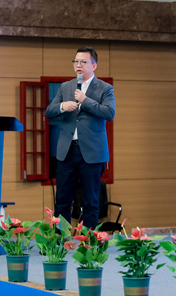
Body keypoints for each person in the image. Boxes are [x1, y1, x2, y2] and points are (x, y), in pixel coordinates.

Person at [45, 47, 116, 230]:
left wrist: (85, 100)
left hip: (92, 153)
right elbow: (49, 111)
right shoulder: (65, 87)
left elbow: (109, 113)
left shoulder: (105, 88)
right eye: (76, 61)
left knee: (90, 201)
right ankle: (60, 240)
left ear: (94, 65)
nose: (78, 65)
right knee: (62, 200)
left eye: (83, 62)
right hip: (67, 151)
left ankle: (88, 241)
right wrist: (62, 106)